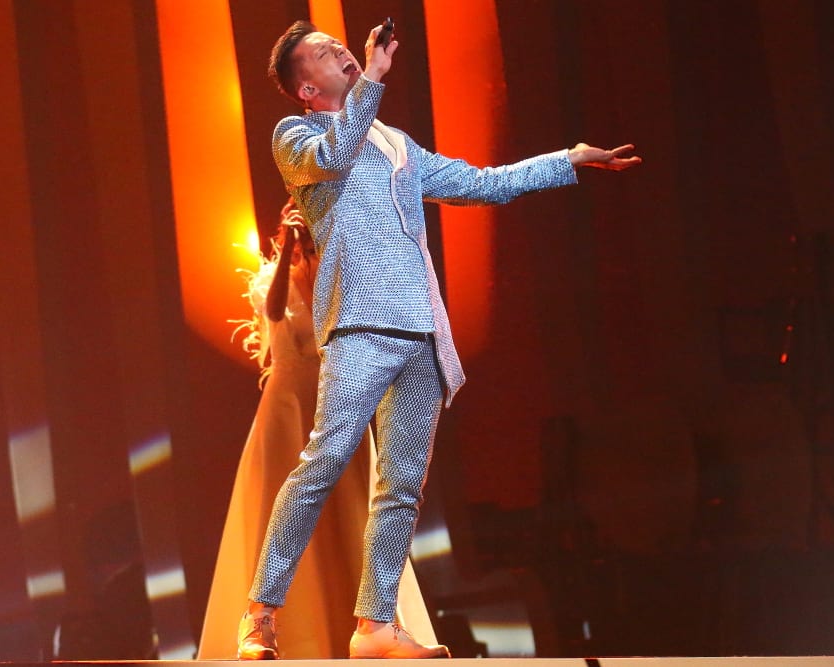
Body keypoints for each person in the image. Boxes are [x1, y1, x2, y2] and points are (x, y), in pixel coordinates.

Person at [236, 19, 642, 661]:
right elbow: (335, 156)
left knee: (401, 486)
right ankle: (261, 614)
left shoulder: (395, 144)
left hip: (421, 329)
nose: (339, 49)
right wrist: (372, 75)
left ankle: (375, 626)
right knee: (325, 463)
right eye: (322, 53)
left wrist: (566, 160)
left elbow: (479, 183)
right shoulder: (297, 136)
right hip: (361, 324)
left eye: (335, 44)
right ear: (306, 89)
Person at [199, 201, 438, 659]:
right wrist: (290, 248)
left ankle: (377, 626)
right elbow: (274, 314)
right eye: (301, 233)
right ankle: (270, 626)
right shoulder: (269, 281)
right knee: (286, 505)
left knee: (355, 510)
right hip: (287, 407)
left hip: (336, 398)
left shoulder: (340, 274)